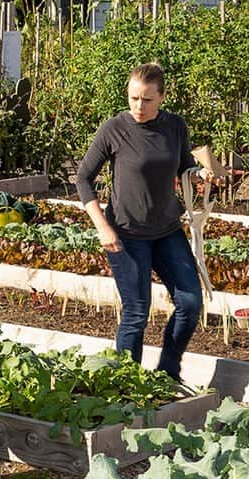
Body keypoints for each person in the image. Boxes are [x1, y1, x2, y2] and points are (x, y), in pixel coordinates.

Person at [76, 62, 218, 381]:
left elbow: (184, 165)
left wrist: (200, 173)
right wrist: (101, 225)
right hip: (125, 234)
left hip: (167, 230)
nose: (139, 106)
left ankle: (167, 372)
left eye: (147, 100)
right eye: (133, 98)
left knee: (190, 302)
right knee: (137, 313)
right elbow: (83, 178)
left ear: (162, 97)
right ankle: (126, 385)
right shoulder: (114, 128)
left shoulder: (175, 127)